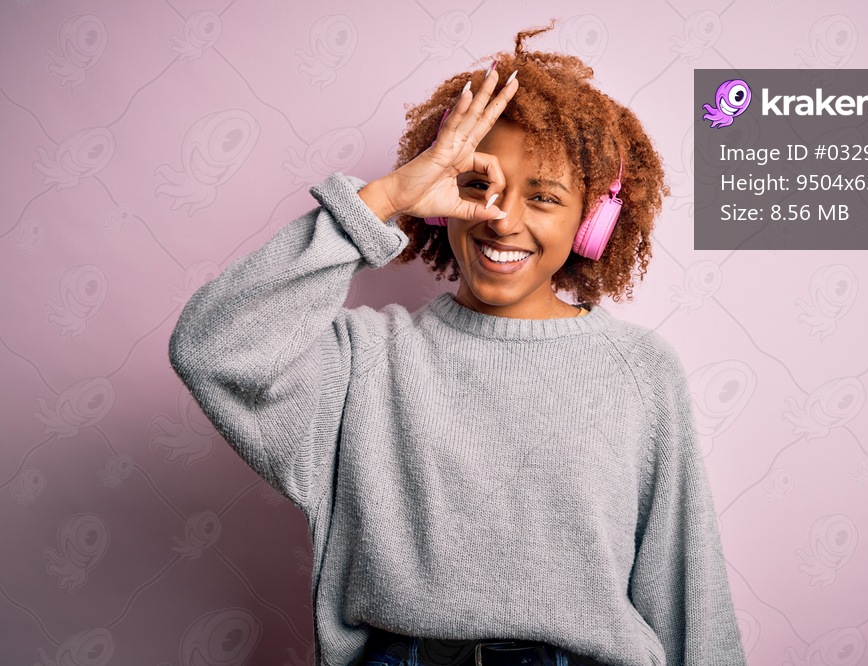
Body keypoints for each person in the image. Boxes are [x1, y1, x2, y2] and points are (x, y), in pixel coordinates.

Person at [169, 22, 746, 666]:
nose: (502, 217)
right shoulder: (366, 357)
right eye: (479, 185)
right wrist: (386, 199)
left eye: (544, 197)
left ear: (592, 224)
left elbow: (687, 590)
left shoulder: (641, 370)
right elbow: (211, 347)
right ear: (444, 203)